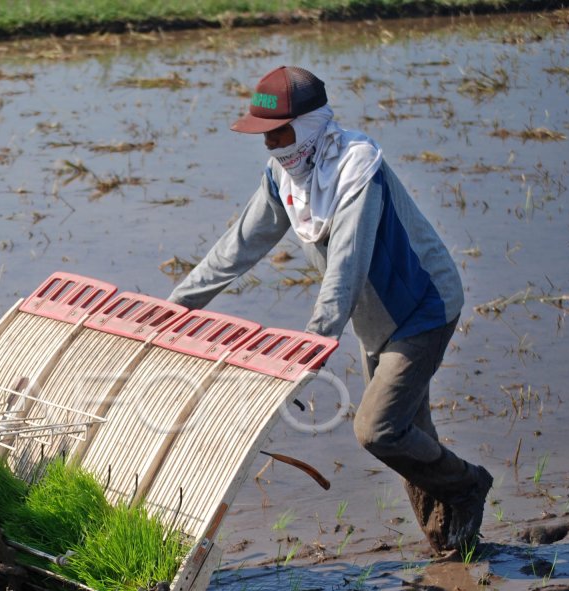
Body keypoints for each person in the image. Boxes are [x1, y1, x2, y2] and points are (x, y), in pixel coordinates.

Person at [165, 65, 492, 556]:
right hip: (374, 322)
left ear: (313, 124)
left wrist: (312, 344)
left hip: (424, 308)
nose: (272, 144)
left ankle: (468, 486)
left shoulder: (358, 169)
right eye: (265, 135)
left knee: (379, 429)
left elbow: (347, 264)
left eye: (280, 132)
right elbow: (238, 246)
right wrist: (176, 306)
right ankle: (447, 546)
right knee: (411, 433)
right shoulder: (286, 176)